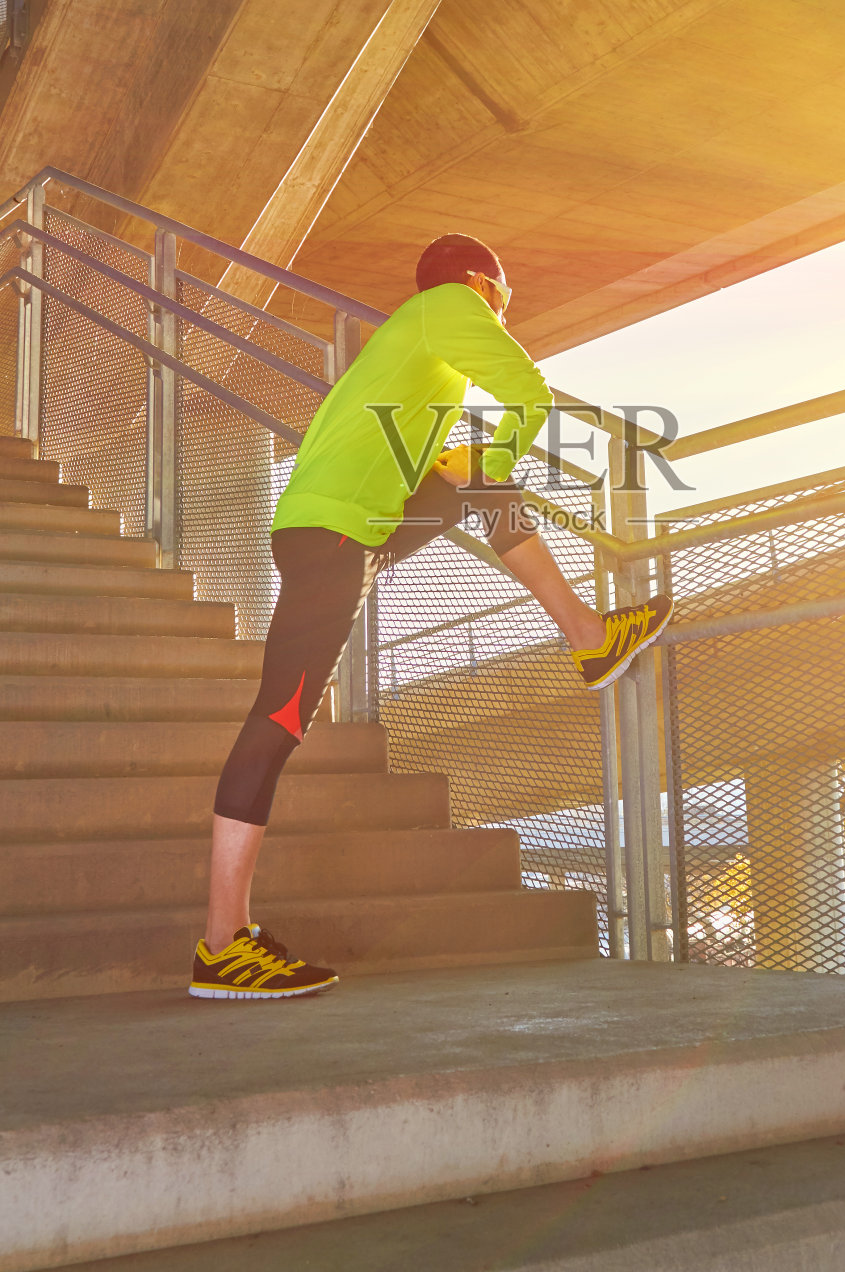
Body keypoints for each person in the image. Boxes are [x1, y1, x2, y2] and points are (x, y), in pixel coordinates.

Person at [189, 233, 673, 1000]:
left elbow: (434, 466)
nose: (504, 315)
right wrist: (503, 456)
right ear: (482, 285)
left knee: (474, 476)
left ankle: (586, 635)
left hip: (346, 529)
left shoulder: (413, 356)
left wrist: (480, 471)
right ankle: (222, 944)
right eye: (504, 300)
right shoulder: (447, 307)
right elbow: (528, 392)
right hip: (335, 534)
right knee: (278, 720)